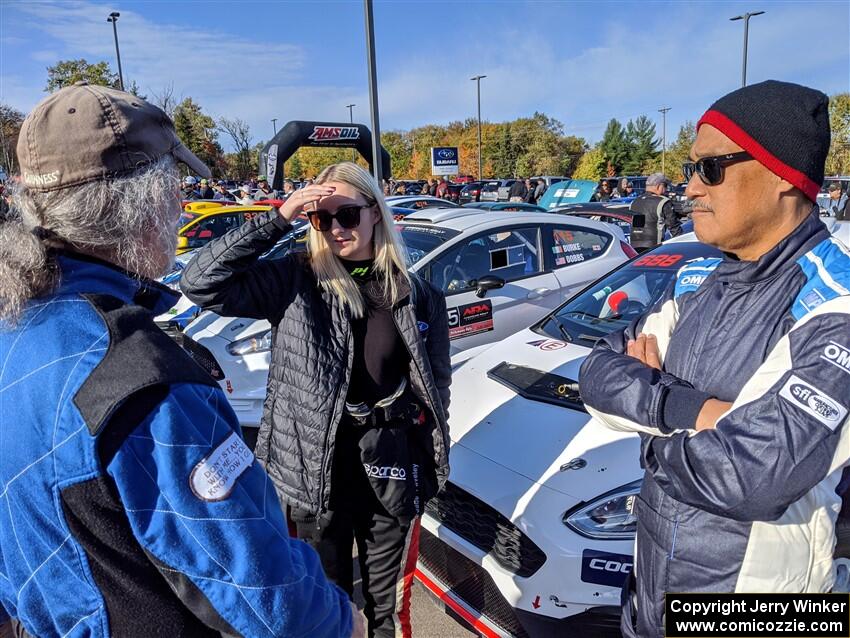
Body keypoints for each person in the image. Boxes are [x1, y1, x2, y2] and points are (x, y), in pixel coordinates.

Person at [0, 83, 362, 638]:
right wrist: (343, 622)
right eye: (175, 184)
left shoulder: (17, 324)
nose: (181, 202)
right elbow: (268, 598)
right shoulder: (138, 378)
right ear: (138, 201)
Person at [579, 80, 850, 638]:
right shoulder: (701, 280)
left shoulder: (836, 303)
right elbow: (597, 371)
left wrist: (650, 429)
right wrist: (698, 414)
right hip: (650, 595)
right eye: (688, 168)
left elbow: (750, 475)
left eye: (711, 168)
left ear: (782, 176)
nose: (689, 187)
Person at [181, 162, 450, 638]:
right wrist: (280, 215)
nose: (336, 229)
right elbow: (201, 281)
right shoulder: (295, 280)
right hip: (314, 473)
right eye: (322, 219)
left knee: (388, 610)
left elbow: (436, 386)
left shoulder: (418, 294)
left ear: (375, 213)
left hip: (390, 461)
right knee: (326, 608)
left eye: (347, 214)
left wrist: (428, 461)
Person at [628, 172, 681, 251]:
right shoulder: (663, 202)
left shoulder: (635, 201)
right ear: (659, 186)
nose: (666, 190)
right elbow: (674, 228)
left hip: (634, 248)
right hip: (655, 248)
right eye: (665, 186)